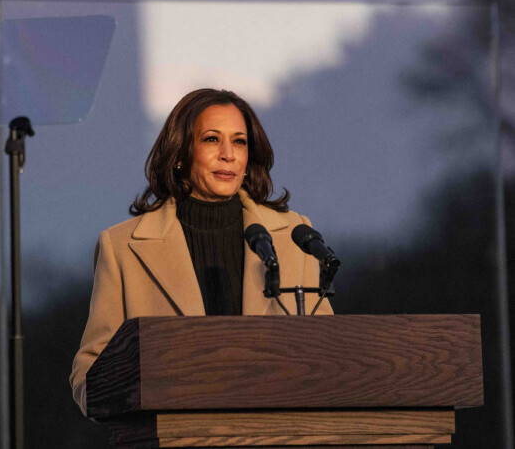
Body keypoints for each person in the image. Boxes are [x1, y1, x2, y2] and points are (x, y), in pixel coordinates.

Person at [70, 88, 333, 416]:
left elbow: (328, 355)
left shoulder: (294, 236)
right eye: (211, 139)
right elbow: (90, 370)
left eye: (239, 141)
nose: (228, 154)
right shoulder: (122, 247)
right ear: (180, 153)